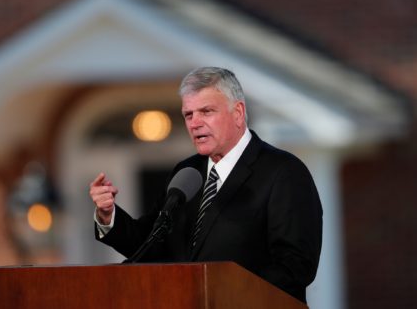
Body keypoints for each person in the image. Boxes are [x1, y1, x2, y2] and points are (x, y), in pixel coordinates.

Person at [89, 67, 322, 303]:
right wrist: (108, 216)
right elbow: (150, 244)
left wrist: (224, 293)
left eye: (206, 111)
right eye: (188, 115)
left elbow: (296, 265)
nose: (195, 123)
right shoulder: (187, 173)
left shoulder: (284, 172)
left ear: (238, 113)